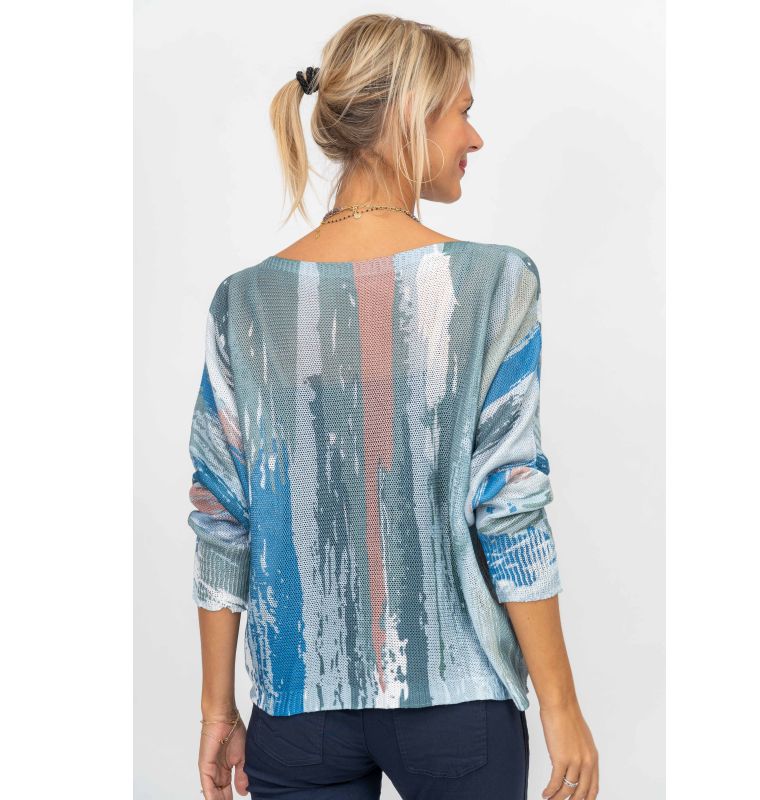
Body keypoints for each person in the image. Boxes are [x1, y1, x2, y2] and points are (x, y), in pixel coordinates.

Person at [188, 13, 599, 800]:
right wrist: (561, 704)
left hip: (294, 714)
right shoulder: (493, 283)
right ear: (411, 113)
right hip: (457, 702)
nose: (475, 138)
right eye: (463, 111)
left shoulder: (244, 301)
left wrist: (217, 709)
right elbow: (509, 504)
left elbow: (221, 517)